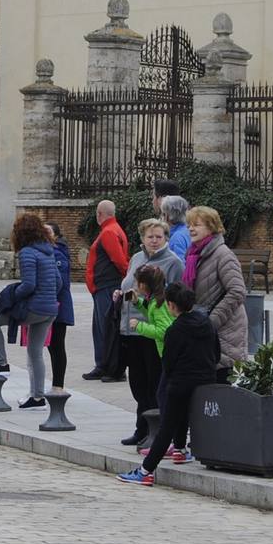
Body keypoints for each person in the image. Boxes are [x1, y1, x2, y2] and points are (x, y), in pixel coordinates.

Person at [117, 283, 219, 486]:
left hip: (181, 381)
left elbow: (168, 362)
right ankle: (180, 450)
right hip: (206, 379)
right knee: (186, 419)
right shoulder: (206, 322)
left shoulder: (175, 330)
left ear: (172, 305)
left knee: (167, 427)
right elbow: (216, 352)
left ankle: (146, 470)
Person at [114, 219, 183, 445]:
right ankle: (141, 427)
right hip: (131, 329)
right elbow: (127, 284)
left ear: (166, 238)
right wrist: (121, 293)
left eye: (158, 237)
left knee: (154, 382)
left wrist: (148, 301)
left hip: (153, 331)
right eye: (149, 236)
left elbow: (174, 296)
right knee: (137, 383)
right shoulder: (136, 258)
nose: (154, 241)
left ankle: (156, 430)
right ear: (142, 238)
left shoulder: (173, 262)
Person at [0, 213, 59, 408]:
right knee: (35, 352)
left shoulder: (27, 253)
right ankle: (37, 397)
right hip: (50, 309)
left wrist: (13, 295)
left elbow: (29, 285)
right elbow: (58, 282)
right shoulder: (49, 250)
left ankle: (1, 363)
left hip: (34, 308)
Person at [183, 206, 248, 383]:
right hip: (204, 328)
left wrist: (212, 320)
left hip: (225, 330)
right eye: (189, 224)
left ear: (211, 227)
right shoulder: (194, 255)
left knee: (221, 385)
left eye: (196, 224)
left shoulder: (223, 255)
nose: (191, 228)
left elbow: (237, 291)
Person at [83, 199, 128, 380]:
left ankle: (105, 365)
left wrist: (126, 277)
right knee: (106, 327)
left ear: (99, 214)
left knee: (105, 328)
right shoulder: (114, 230)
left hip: (107, 287)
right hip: (105, 286)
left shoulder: (109, 232)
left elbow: (119, 261)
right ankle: (107, 365)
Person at [45, 223, 75, 395]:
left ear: (56, 235)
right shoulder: (48, 251)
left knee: (57, 345)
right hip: (52, 305)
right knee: (52, 346)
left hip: (59, 307)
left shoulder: (58, 253)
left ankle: (58, 385)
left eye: (49, 231)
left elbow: (58, 282)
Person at [161, 195, 190, 261]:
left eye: (163, 213)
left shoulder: (176, 238)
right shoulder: (189, 230)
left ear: (167, 216)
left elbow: (179, 266)